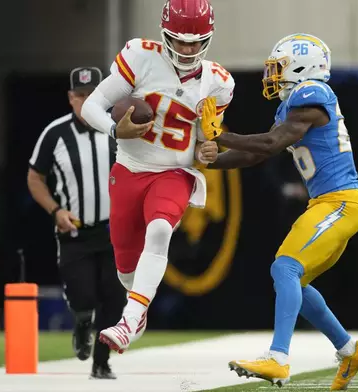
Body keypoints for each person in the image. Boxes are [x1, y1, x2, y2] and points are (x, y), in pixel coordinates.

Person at [203, 34, 358, 390]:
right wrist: (211, 162)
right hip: (328, 204)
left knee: (284, 267)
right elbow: (259, 153)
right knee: (295, 281)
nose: (273, 76)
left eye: (279, 68)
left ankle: (278, 359)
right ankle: (350, 350)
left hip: (341, 202)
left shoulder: (311, 93)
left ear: (302, 68)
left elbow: (271, 142)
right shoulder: (292, 106)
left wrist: (221, 135)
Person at [80, 0, 228, 354]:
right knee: (125, 266)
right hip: (130, 169)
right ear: (165, 35)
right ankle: (138, 304)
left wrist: (208, 149)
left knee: (160, 229)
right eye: (180, 40)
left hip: (174, 172)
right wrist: (118, 130)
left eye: (196, 41)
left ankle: (129, 319)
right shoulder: (140, 57)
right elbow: (90, 107)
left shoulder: (218, 82)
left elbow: (205, 142)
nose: (188, 49)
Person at [28, 67, 126, 379]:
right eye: (79, 95)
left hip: (114, 232)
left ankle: (101, 361)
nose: (85, 101)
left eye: (91, 95)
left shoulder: (116, 129)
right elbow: (34, 177)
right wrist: (55, 209)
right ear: (71, 98)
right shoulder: (55, 133)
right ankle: (83, 320)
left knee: (114, 297)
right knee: (83, 295)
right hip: (75, 230)